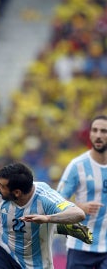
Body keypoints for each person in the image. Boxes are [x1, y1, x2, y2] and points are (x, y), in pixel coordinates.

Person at [0, 162, 86, 269]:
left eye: (2, 186)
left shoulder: (45, 198)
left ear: (17, 192)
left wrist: (48, 218)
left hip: (36, 263)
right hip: (3, 250)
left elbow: (78, 213)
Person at [57, 114, 107, 269]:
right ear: (90, 134)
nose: (98, 135)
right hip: (80, 244)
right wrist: (79, 207)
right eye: (95, 130)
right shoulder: (77, 166)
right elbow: (56, 200)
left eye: (104, 131)